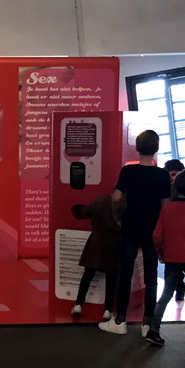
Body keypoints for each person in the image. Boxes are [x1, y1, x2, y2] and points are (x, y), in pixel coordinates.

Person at [109, 130, 171, 335]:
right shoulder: (162, 174)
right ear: (157, 148)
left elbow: (117, 197)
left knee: (125, 273)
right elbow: (165, 204)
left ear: (137, 147)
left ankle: (120, 321)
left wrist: (118, 215)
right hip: (152, 228)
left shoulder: (128, 172)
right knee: (151, 276)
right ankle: (147, 324)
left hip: (130, 225)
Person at [149, 170, 185, 347]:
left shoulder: (167, 209)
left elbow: (157, 235)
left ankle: (154, 329)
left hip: (172, 257)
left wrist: (161, 252)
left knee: (166, 293)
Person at [69, 196, 120, 325]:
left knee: (87, 275)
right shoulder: (124, 204)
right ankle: (108, 310)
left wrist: (74, 207)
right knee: (111, 278)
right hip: (113, 242)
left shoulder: (101, 200)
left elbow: (83, 213)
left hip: (96, 240)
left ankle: (78, 305)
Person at [162, 159, 185, 303]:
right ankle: (176, 288)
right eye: (170, 175)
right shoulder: (165, 190)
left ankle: (179, 288)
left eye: (175, 175)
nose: (172, 178)